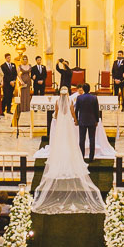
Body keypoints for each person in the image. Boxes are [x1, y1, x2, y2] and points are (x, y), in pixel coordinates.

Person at [31, 86, 105, 214]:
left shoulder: (57, 101)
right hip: (70, 123)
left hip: (61, 124)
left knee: (62, 141)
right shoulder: (72, 101)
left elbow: (55, 113)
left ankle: (61, 159)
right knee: (72, 142)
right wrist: (75, 120)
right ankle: (82, 158)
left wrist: (61, 118)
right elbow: (72, 112)